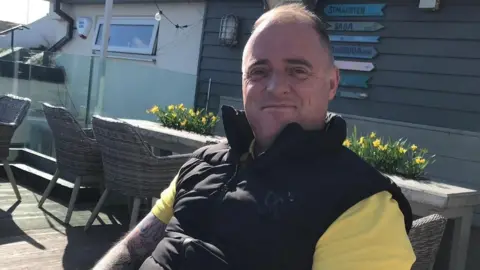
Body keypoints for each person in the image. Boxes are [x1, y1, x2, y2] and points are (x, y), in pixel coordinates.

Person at [93, 4, 416, 270]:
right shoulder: (203, 161)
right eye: (259, 71)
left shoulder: (361, 203)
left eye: (298, 70)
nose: (275, 87)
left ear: (332, 83)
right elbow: (136, 245)